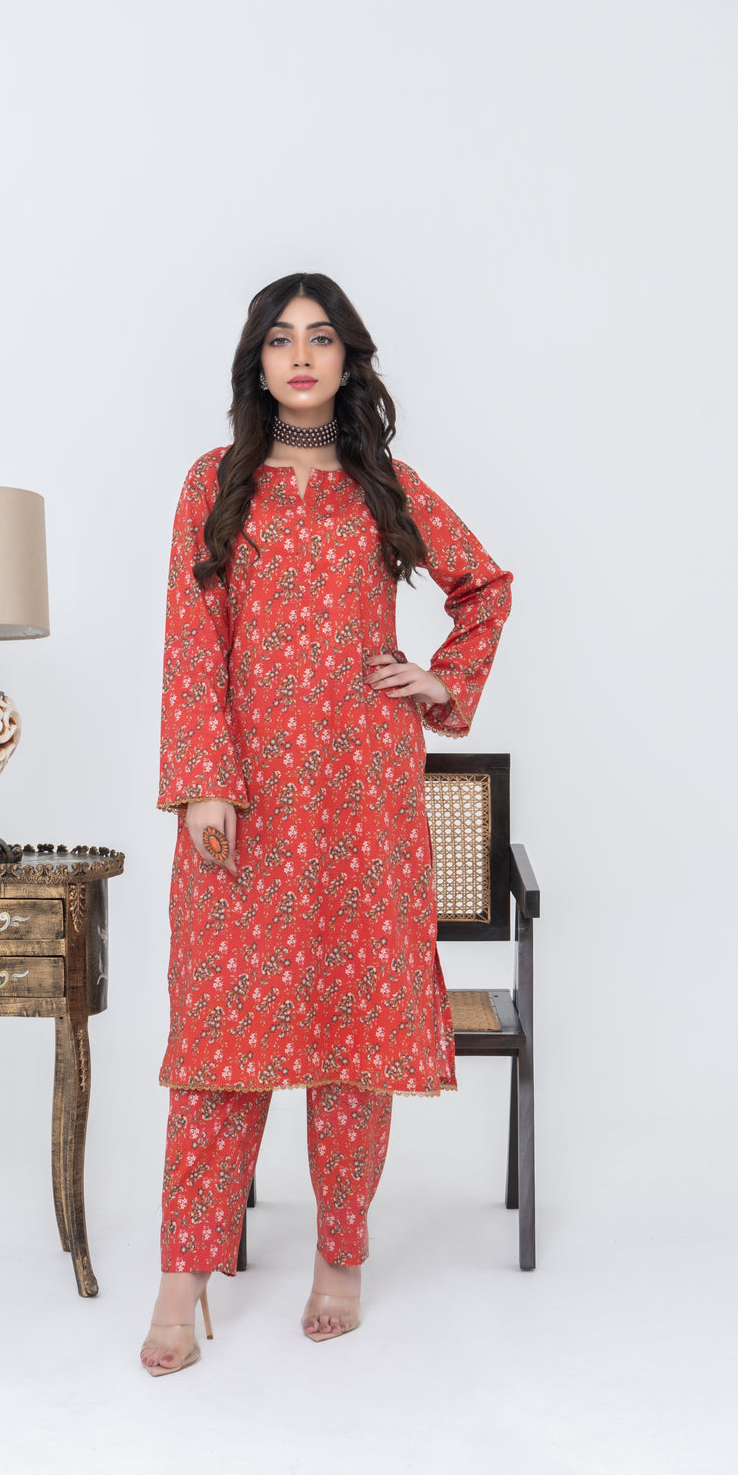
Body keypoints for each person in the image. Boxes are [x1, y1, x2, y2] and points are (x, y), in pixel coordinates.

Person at [140, 272, 512, 1375]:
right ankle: (182, 1276)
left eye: (320, 338)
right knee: (222, 1040)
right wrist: (202, 780)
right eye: (278, 339)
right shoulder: (215, 482)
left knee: (353, 1035)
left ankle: (340, 1254)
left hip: (363, 796)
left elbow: (483, 588)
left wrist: (439, 682)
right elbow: (190, 637)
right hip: (244, 801)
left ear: (349, 359)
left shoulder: (381, 485)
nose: (300, 356)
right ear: (255, 364)